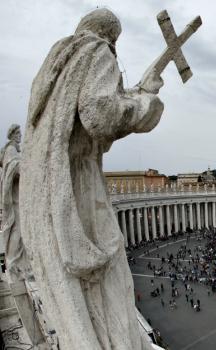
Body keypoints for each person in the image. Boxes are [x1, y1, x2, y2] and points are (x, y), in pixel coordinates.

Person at [20, 8, 164, 349]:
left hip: (47, 190)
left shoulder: (53, 68)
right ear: (111, 37)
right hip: (78, 184)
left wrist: (134, 90)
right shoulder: (96, 50)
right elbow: (100, 116)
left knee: (76, 290)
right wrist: (146, 101)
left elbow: (89, 123)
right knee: (112, 278)